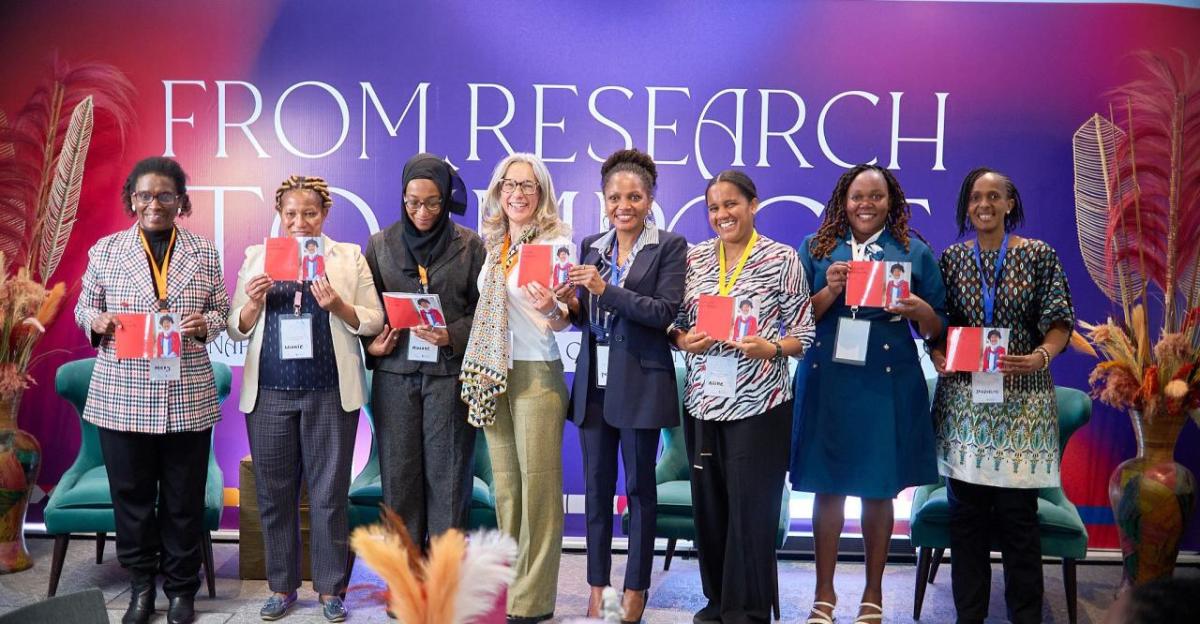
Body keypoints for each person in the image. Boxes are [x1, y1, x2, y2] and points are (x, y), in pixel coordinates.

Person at [74, 156, 231, 624]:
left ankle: (182, 590)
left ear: (181, 201)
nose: (154, 204)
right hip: (122, 393)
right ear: (131, 200)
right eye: (144, 195)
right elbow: (85, 307)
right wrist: (96, 320)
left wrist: (208, 323)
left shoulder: (204, 253)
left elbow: (221, 310)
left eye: (165, 195)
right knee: (133, 499)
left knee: (184, 498)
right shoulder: (106, 251)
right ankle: (142, 587)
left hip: (186, 392)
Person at [790, 164, 946, 624]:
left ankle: (873, 595)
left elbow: (939, 327)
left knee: (879, 490)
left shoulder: (913, 252)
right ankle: (824, 595)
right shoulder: (816, 249)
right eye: (858, 196)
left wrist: (921, 312)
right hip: (827, 381)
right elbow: (797, 317)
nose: (865, 204)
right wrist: (829, 291)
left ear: (891, 203)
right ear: (844, 200)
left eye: (876, 196)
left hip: (886, 384)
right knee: (827, 487)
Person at [227, 175, 384, 622]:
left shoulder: (348, 257)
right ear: (280, 214)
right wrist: (253, 305)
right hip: (271, 393)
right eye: (291, 213)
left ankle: (332, 589)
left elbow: (373, 321)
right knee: (275, 496)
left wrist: (339, 305)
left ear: (325, 214)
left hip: (330, 392)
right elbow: (235, 326)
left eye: (310, 213)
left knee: (330, 495)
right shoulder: (258, 257)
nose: (300, 222)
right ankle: (281, 587)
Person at [668, 170, 814, 624]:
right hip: (703, 400)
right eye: (714, 207)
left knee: (752, 510)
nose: (722, 214)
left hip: (760, 403)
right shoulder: (693, 259)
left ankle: (748, 609)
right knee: (710, 509)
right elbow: (672, 321)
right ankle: (716, 602)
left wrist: (770, 347)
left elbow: (804, 334)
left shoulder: (782, 258)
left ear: (753, 204)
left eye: (731, 204)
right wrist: (681, 339)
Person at [929, 167, 1073, 624]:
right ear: (966, 206)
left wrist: (1040, 357)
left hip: (1023, 407)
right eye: (975, 198)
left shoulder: (1038, 256)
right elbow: (938, 321)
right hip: (964, 407)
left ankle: (1025, 617)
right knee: (965, 523)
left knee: (1018, 523)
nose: (984, 205)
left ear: (1010, 204)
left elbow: (1059, 322)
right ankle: (968, 616)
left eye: (994, 196)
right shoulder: (950, 259)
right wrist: (936, 352)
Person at [555, 149, 687, 621]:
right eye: (614, 197)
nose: (623, 205)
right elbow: (584, 319)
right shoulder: (591, 244)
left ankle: (635, 589)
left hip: (642, 385)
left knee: (639, 490)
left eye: (634, 196)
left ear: (650, 199)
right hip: (595, 385)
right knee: (594, 489)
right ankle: (596, 587)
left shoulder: (670, 246)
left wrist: (603, 290)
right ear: (604, 199)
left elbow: (661, 312)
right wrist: (563, 305)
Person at [460, 153, 573, 624]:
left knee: (539, 492)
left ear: (541, 192)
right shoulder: (494, 244)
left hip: (535, 375)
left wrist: (552, 307)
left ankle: (533, 600)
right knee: (507, 490)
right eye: (509, 185)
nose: (517, 193)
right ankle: (511, 588)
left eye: (527, 185)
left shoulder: (556, 243)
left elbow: (565, 319)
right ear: (497, 192)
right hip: (494, 373)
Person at [362, 153, 486, 554]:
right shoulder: (380, 245)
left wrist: (450, 333)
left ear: (447, 198)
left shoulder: (470, 246)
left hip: (449, 376)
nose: (422, 211)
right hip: (395, 376)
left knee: (449, 479)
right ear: (402, 197)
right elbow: (369, 311)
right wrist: (372, 345)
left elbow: (485, 314)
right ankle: (405, 579)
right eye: (413, 201)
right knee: (399, 478)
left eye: (433, 201)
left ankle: (444, 580)